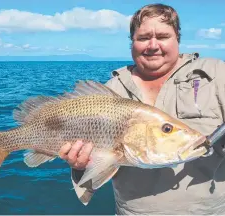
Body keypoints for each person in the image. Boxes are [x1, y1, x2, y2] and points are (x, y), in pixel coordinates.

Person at [59, 3, 225, 215]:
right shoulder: (111, 90)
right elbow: (97, 167)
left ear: (178, 40)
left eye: (163, 36)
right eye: (143, 38)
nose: (153, 45)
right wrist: (80, 165)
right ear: (132, 43)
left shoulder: (216, 74)